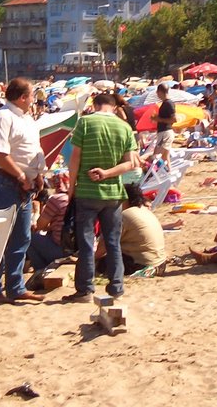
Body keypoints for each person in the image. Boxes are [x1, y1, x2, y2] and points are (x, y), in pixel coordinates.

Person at [63, 92, 140, 303]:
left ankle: (85, 290)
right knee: (113, 242)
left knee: (87, 242)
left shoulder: (85, 123)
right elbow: (130, 163)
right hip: (113, 192)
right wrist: (107, 173)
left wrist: (71, 187)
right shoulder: (124, 127)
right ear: (114, 107)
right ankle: (116, 288)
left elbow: (75, 157)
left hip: (87, 191)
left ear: (95, 105)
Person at [0, 77, 47, 304]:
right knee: (0, 237)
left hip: (24, 184)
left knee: (22, 237)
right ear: (22, 97)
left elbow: (32, 149)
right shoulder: (1, 118)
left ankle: (15, 286)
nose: (34, 100)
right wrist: (21, 176)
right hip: (5, 182)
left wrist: (37, 175)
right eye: (32, 96)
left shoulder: (27, 119)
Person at [116, 183, 166, 275]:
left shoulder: (125, 215)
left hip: (143, 266)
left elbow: (105, 247)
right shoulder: (145, 211)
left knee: (107, 260)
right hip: (160, 265)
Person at [26, 172, 71, 273]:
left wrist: (37, 211)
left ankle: (41, 270)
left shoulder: (57, 199)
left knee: (28, 237)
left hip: (61, 249)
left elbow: (40, 225)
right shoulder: (77, 199)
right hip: (80, 249)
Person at [153, 84, 177, 163]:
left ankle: (158, 173)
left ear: (160, 92)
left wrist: (159, 119)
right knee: (165, 157)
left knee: (156, 156)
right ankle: (169, 172)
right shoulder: (166, 103)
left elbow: (174, 119)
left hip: (165, 132)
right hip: (165, 132)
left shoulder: (168, 103)